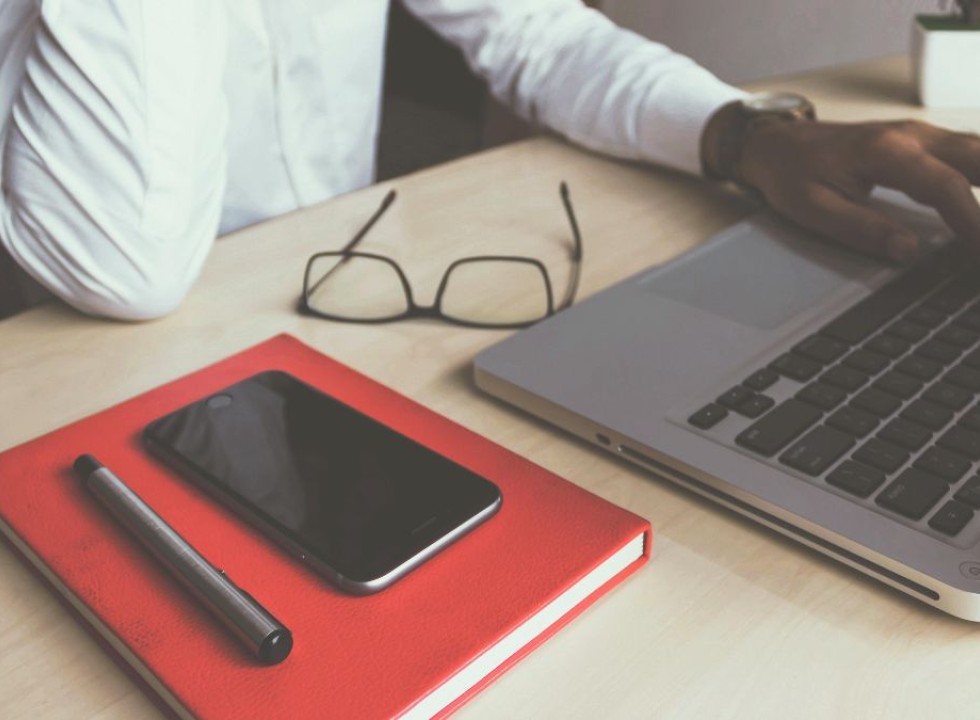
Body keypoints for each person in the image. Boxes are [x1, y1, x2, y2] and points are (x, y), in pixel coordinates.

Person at [0, 0, 978, 321]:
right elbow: (121, 265)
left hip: (340, 295)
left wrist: (743, 136)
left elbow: (533, 33)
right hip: (68, 342)